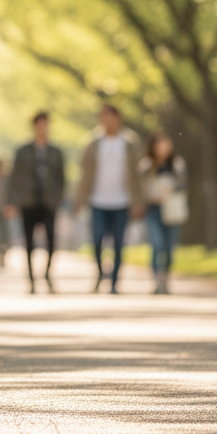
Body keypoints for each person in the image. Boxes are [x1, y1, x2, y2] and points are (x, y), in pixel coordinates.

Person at [74, 104, 142, 294]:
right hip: (98, 201)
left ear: (118, 119)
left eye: (112, 117)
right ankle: (100, 273)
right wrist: (79, 200)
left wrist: (138, 202)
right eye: (104, 117)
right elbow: (84, 174)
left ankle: (114, 282)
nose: (108, 121)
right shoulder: (93, 143)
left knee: (119, 243)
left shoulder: (129, 143)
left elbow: (137, 175)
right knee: (96, 240)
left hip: (122, 202)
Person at [8, 112, 65, 293]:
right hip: (28, 202)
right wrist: (12, 201)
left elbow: (62, 178)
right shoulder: (23, 151)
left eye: (45, 124)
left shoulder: (56, 152)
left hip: (48, 203)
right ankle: (31, 278)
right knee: (29, 242)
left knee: (51, 241)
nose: (42, 128)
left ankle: (47, 274)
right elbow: (14, 177)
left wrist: (59, 199)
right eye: (39, 124)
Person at [138, 131, 189, 294]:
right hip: (153, 209)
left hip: (172, 208)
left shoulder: (177, 164)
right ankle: (157, 279)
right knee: (157, 243)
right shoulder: (146, 165)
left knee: (168, 247)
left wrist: (169, 188)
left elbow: (183, 184)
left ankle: (165, 278)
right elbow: (140, 187)